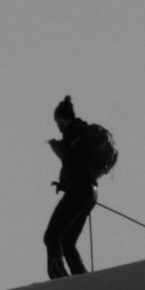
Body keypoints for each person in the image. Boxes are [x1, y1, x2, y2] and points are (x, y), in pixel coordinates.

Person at [45, 96, 104, 279]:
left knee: (52, 236)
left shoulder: (74, 133)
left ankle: (58, 276)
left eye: (58, 122)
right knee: (68, 241)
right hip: (89, 192)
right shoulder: (83, 131)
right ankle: (81, 278)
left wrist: (71, 180)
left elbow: (77, 159)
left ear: (62, 120)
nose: (58, 127)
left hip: (79, 190)